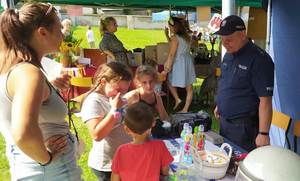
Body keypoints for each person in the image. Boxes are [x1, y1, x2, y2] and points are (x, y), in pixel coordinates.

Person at [0, 3, 82, 180]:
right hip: (51, 171)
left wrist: (47, 89)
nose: (63, 33)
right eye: (59, 28)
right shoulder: (29, 73)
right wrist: (46, 158)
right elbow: (23, 133)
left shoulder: (13, 66)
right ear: (42, 32)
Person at [213, 15, 274, 152]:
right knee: (225, 163)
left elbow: (265, 100)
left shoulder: (260, 59)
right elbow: (226, 82)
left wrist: (263, 133)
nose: (224, 44)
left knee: (241, 166)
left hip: (244, 129)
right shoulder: (228, 55)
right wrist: (220, 104)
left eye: (229, 40)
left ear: (242, 35)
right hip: (225, 123)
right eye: (222, 39)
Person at [80, 62, 133, 181]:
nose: (122, 94)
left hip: (122, 160)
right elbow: (96, 134)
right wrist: (114, 109)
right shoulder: (94, 101)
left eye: (125, 90)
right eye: (118, 89)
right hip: (107, 166)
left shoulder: (115, 97)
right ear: (104, 82)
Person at [111, 102, 174, 181]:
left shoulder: (121, 151)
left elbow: (115, 178)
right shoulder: (159, 146)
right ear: (153, 123)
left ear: (127, 129)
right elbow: (166, 171)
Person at [163, 17, 196, 112]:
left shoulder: (175, 38)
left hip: (179, 62)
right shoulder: (186, 37)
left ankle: (177, 99)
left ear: (174, 27)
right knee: (189, 87)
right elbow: (174, 44)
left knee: (169, 81)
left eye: (170, 27)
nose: (169, 28)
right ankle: (185, 108)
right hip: (187, 61)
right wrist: (167, 35)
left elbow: (172, 53)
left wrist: (167, 67)